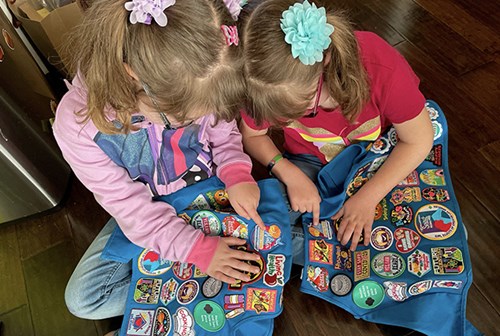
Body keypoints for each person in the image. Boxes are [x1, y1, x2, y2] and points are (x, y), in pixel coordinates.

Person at [53, 0, 264, 322]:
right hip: (145, 208)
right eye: (181, 117)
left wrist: (237, 172)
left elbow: (224, 136)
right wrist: (198, 251)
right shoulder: (78, 126)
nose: (194, 121)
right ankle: (201, 276)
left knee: (272, 231)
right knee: (85, 300)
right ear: (133, 74)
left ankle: (191, 279)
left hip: (206, 189)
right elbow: (130, 208)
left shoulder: (204, 74)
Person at [239, 0, 434, 253]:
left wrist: (367, 199)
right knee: (264, 220)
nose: (286, 120)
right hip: (310, 161)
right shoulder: (259, 84)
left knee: (412, 230)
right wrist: (287, 171)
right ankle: (335, 250)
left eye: (303, 108)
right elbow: (253, 135)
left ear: (326, 61)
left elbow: (418, 140)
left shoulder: (381, 67)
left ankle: (324, 249)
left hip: (376, 158)